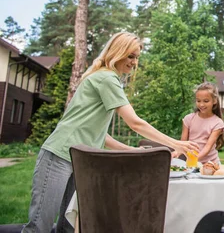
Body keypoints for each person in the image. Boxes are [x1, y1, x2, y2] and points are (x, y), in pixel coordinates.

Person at [22, 32, 201, 233]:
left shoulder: (104, 78)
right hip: (58, 154)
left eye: (137, 58)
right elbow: (135, 123)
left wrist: (134, 151)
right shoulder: (107, 78)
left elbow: (101, 136)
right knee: (39, 226)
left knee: (67, 227)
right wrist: (177, 144)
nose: (134, 62)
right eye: (131, 56)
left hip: (79, 158)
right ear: (118, 52)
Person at [174, 82, 224, 165]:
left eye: (206, 101)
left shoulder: (218, 123)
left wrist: (193, 159)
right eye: (198, 101)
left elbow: (207, 148)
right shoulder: (188, 119)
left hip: (210, 163)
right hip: (192, 163)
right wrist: (176, 153)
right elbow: (183, 143)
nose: (201, 104)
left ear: (214, 101)